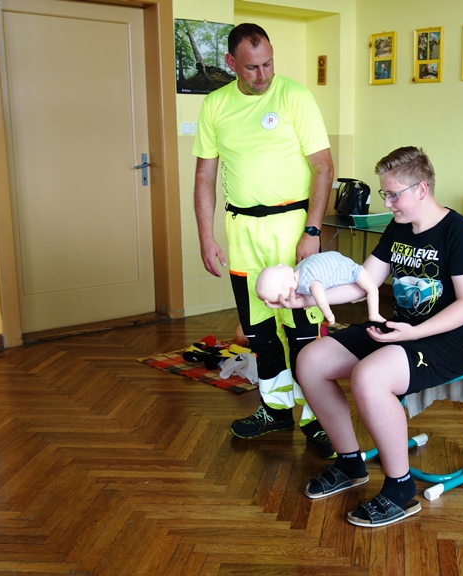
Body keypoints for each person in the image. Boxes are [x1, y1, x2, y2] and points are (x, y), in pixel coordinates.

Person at [272, 146, 463, 528]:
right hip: (402, 328)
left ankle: (401, 489)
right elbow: (363, 284)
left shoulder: (460, 232)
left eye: (393, 195)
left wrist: (415, 331)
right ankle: (350, 463)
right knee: (311, 361)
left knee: (369, 376)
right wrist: (305, 299)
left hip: (450, 340)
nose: (387, 203)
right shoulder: (398, 227)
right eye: (384, 193)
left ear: (421, 189)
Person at [192, 23, 336, 458]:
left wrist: (313, 230)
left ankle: (317, 419)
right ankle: (275, 409)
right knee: (259, 332)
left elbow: (324, 167)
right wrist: (206, 237)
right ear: (231, 63)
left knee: (303, 332)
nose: (263, 75)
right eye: (252, 67)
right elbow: (205, 176)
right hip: (243, 233)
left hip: (292, 228)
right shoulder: (216, 105)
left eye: (269, 63)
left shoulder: (295, 96)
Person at [255, 251, 385, 326]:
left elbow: (321, 299)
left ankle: (374, 314)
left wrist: (329, 316)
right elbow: (320, 300)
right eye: (278, 268)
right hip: (342, 266)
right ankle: (371, 311)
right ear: (285, 285)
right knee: (371, 289)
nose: (280, 264)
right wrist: (327, 313)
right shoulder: (301, 275)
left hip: (350, 268)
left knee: (371, 288)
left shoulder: (307, 281)